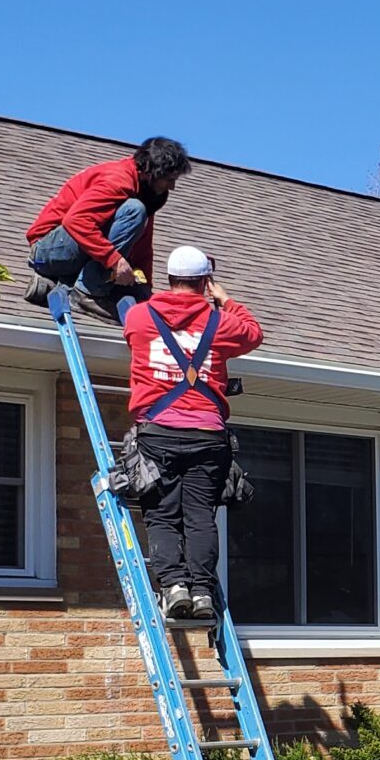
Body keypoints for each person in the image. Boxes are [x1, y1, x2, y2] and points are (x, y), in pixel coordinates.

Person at [124, 244, 263, 621]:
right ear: (204, 281)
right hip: (207, 433)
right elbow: (253, 333)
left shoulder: (139, 317)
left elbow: (135, 337)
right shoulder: (221, 323)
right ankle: (202, 591)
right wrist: (226, 300)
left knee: (163, 515)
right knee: (200, 516)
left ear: (169, 279)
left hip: (158, 431)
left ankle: (173, 588)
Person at [26, 135, 192, 321]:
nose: (173, 186)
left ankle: (68, 284)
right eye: (169, 179)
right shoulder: (118, 179)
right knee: (135, 210)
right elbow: (76, 221)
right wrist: (115, 261)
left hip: (74, 254)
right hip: (46, 252)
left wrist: (145, 289)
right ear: (151, 172)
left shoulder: (146, 191)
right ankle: (85, 294)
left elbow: (143, 246)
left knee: (139, 296)